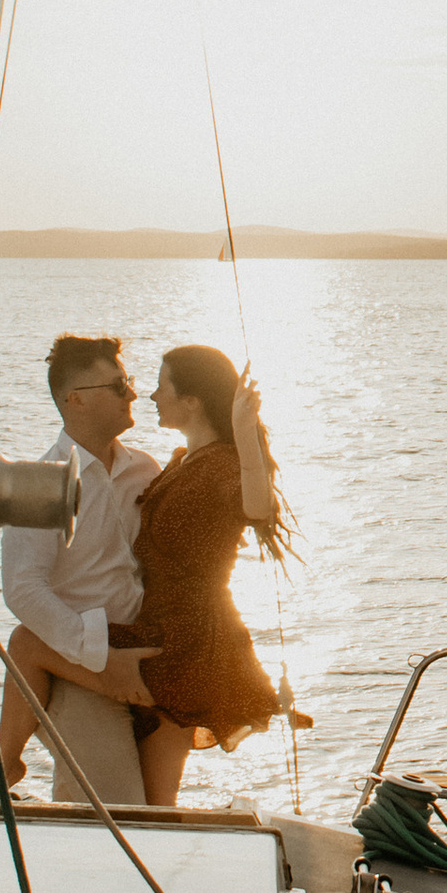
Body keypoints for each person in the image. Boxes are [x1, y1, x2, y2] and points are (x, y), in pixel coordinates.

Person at [116, 343, 291, 808]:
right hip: (159, 625)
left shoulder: (223, 465)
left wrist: (244, 434)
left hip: (187, 641)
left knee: (156, 801)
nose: (151, 395)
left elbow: (258, 506)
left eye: (161, 385)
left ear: (191, 400)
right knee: (145, 794)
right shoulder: (183, 460)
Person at [0, 335, 162, 787]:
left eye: (128, 381)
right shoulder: (43, 485)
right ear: (75, 401)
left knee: (158, 803)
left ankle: (2, 764)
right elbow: (22, 590)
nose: (133, 393)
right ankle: (2, 770)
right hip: (76, 668)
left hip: (141, 655)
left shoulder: (146, 470)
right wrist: (99, 659)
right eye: (118, 384)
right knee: (114, 804)